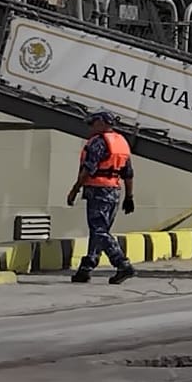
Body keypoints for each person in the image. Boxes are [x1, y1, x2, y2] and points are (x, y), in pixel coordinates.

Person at [67, 110, 136, 285]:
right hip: (114, 190)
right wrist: (129, 197)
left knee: (99, 230)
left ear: (102, 123)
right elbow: (128, 173)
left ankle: (122, 263)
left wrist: (74, 190)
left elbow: (88, 170)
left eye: (93, 123)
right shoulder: (121, 142)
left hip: (98, 190)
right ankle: (86, 268)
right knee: (99, 231)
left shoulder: (98, 143)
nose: (91, 127)